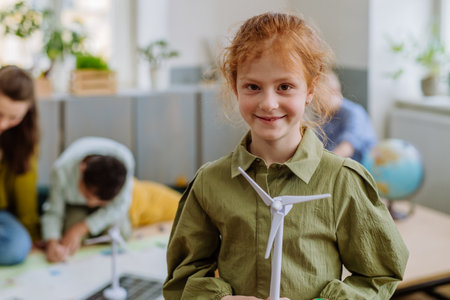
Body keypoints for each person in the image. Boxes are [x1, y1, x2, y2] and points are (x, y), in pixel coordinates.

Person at [163, 12, 408, 300]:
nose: (269, 103)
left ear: (311, 88)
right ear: (234, 86)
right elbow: (182, 276)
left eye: (285, 87)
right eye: (253, 87)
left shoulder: (343, 181)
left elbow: (379, 274)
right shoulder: (210, 182)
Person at [41, 136, 181, 263]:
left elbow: (119, 205)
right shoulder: (61, 170)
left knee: (121, 232)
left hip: (109, 207)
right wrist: (51, 242)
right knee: (67, 238)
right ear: (82, 168)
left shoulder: (125, 161)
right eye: (88, 196)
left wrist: (82, 228)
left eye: (99, 202)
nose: (91, 203)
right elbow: (54, 210)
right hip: (73, 205)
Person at [0, 65, 40, 266]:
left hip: (4, 208)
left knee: (49, 194)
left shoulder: (24, 137)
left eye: (13, 117)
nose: (3, 124)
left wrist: (31, 235)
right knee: (13, 246)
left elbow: (25, 185)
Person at [319, 71, 377, 162]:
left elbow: (346, 149)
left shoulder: (354, 112)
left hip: (358, 168)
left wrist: (322, 165)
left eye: (319, 98)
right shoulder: (324, 116)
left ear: (334, 92)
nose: (316, 104)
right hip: (336, 164)